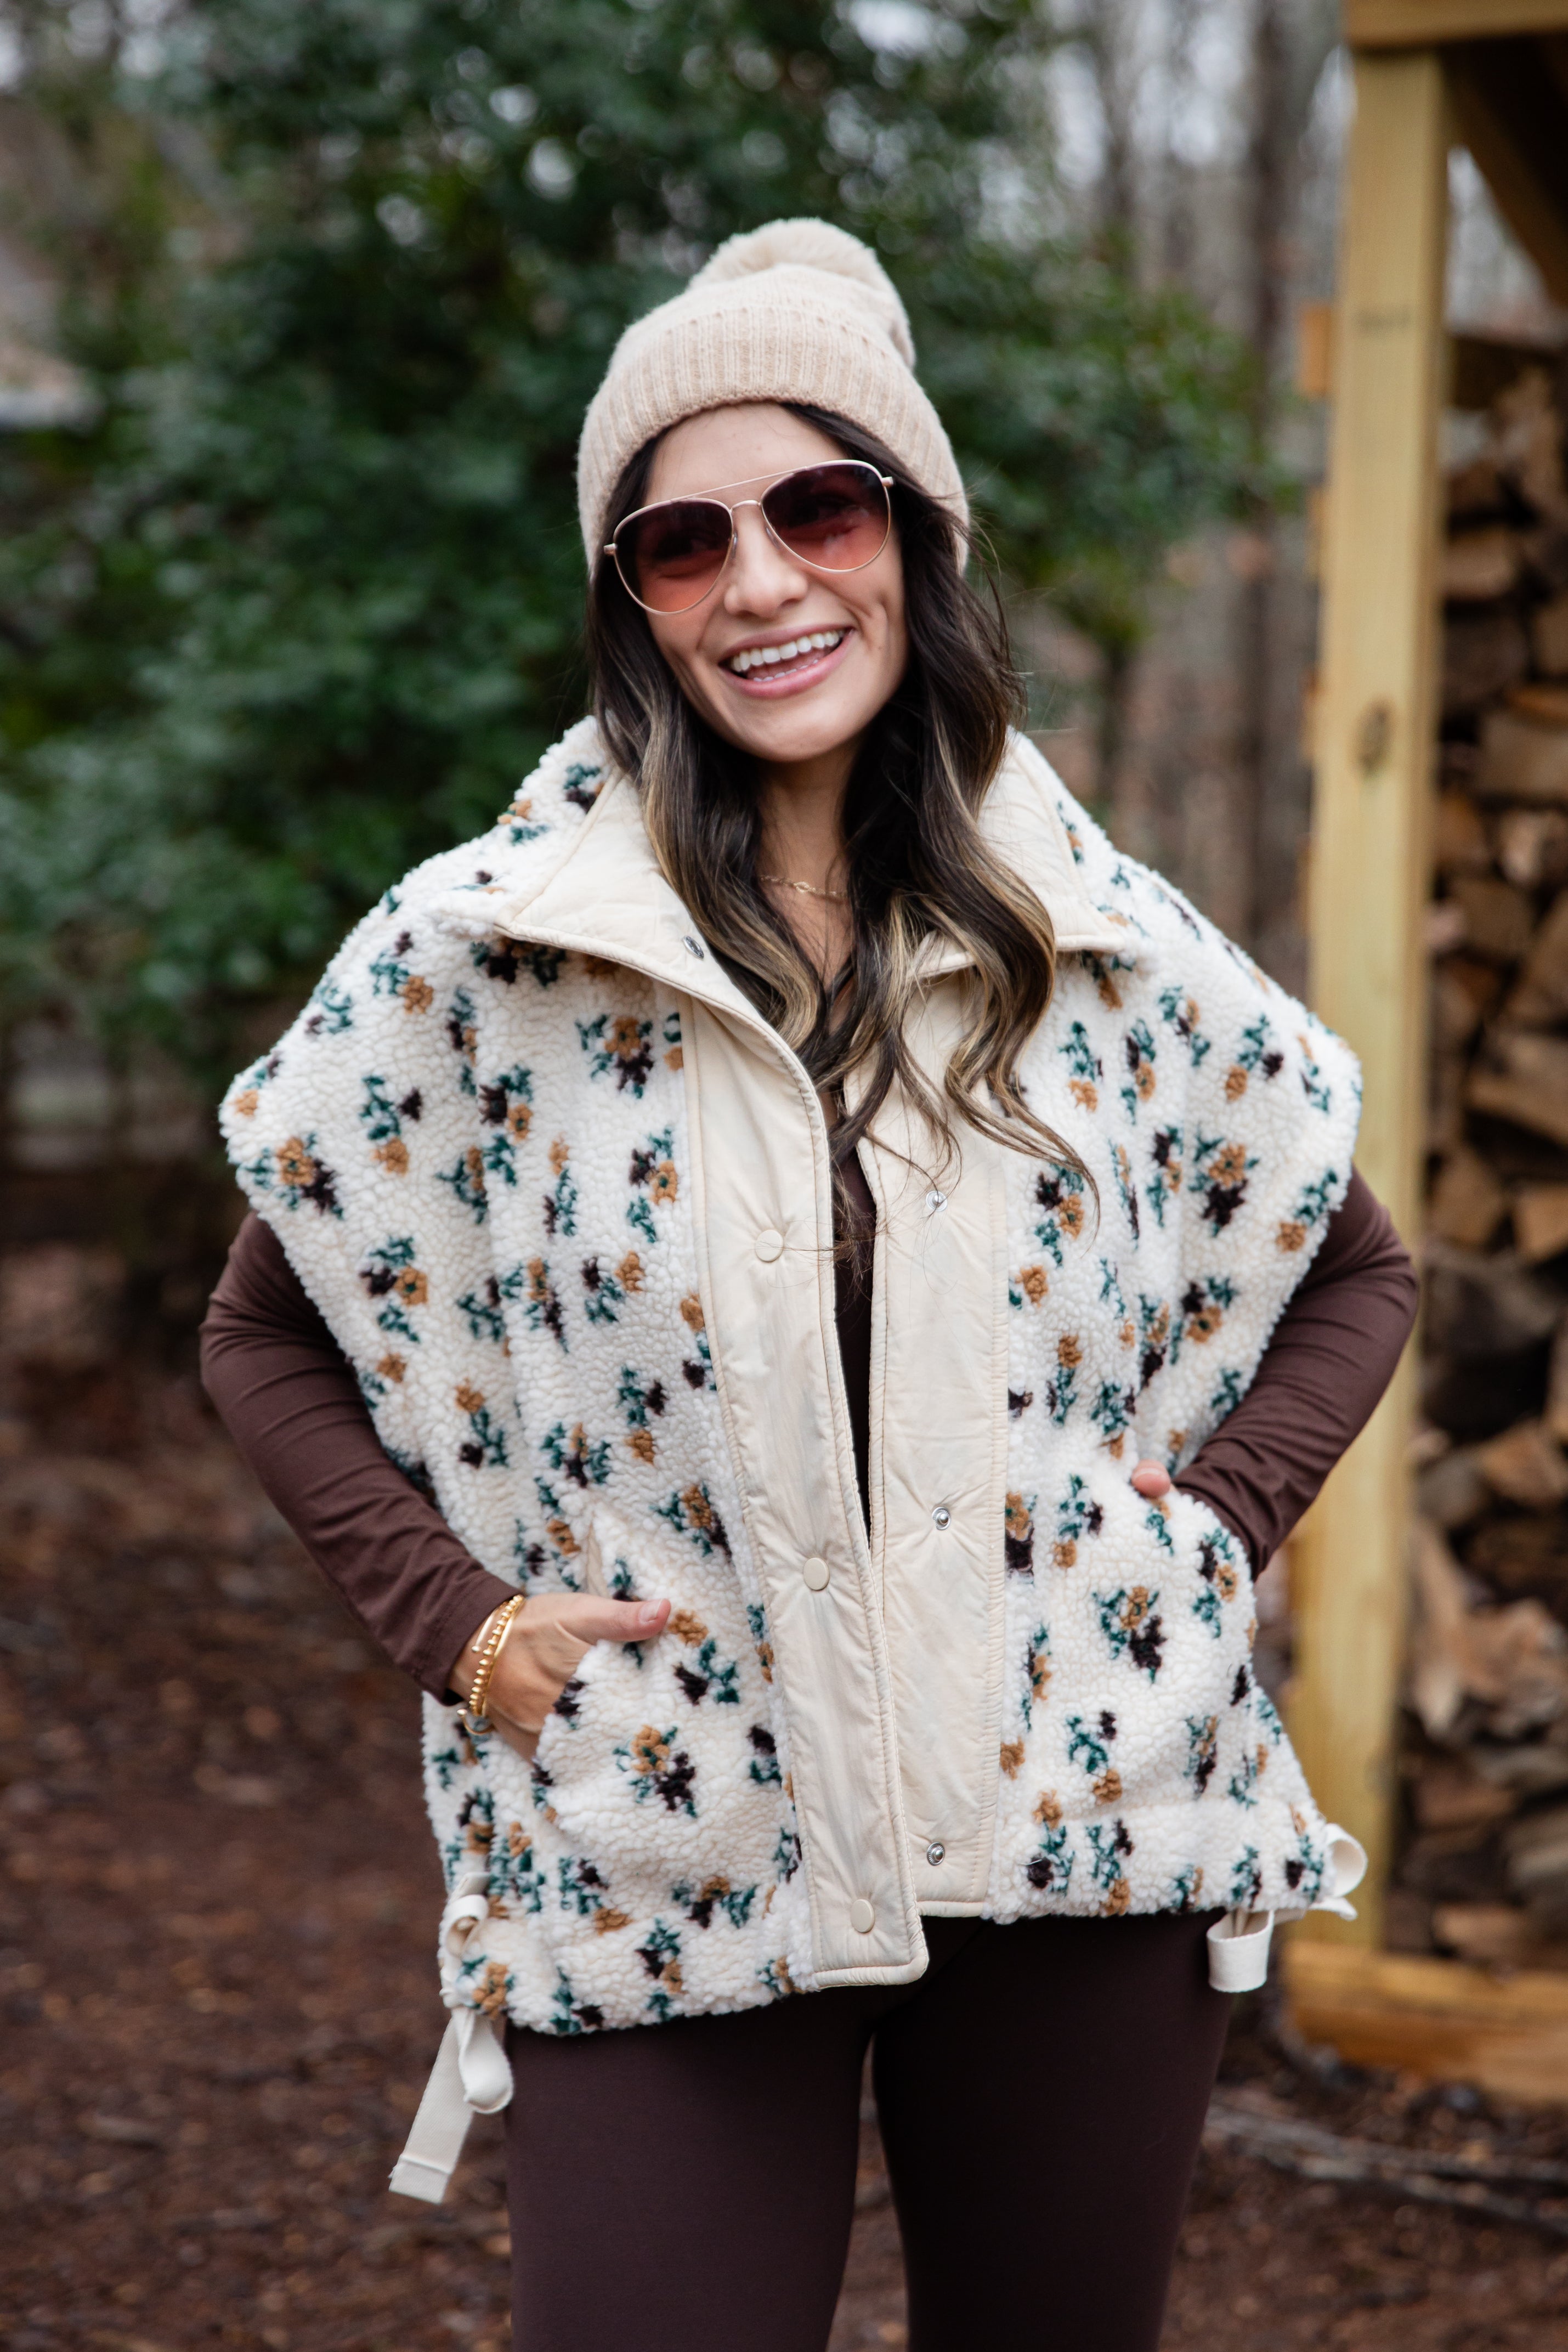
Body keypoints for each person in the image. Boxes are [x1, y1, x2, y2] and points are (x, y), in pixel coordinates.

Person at [201, 218, 1418, 2352]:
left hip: (1076, 1835)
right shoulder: (488, 953)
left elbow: (1352, 1261)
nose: (760, 578)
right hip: (662, 1830)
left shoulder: (1092, 933)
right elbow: (263, 1324)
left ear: (911, 538)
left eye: (815, 505)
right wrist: (461, 1625)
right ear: (632, 604)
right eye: (682, 540)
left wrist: (1199, 1540)